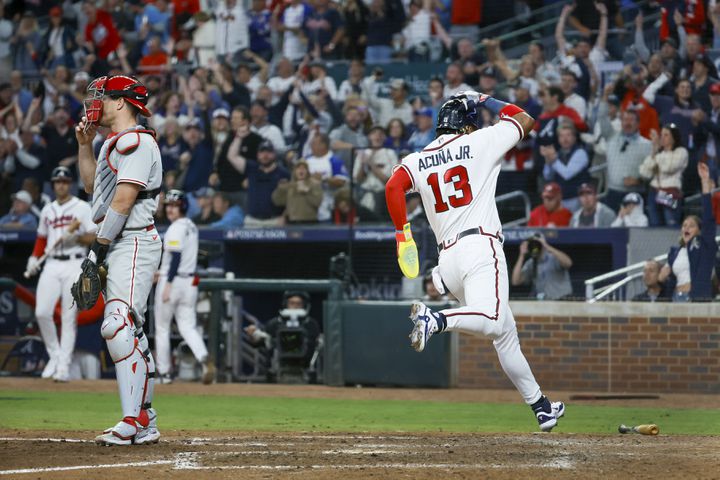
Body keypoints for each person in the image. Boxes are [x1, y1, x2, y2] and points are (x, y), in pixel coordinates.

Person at [384, 90, 565, 431]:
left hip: (448, 262)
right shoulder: (479, 141)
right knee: (494, 321)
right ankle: (435, 320)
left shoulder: (417, 158)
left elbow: (393, 187)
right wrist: (485, 100)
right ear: (466, 126)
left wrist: (401, 232)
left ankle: (541, 406)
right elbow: (525, 120)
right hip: (480, 246)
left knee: (504, 334)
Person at [75, 74, 161, 445]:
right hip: (121, 239)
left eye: (103, 97)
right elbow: (94, 189)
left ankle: (133, 418)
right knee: (131, 330)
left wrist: (99, 247)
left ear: (121, 102)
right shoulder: (114, 140)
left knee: (116, 324)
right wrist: (84, 147)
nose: (96, 103)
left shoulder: (136, 141)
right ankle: (147, 419)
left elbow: (123, 202)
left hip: (133, 239)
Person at [25, 167, 96, 382]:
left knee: (68, 317)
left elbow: (95, 236)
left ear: (70, 184)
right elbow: (41, 239)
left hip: (74, 262)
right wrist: (34, 259)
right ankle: (55, 356)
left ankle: (63, 366)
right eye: (57, 182)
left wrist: (77, 238)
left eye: (65, 181)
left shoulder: (83, 207)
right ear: (53, 184)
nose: (61, 185)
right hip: (52, 263)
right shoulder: (47, 210)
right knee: (42, 312)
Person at [154, 190, 215, 385]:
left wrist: (167, 283)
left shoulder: (175, 228)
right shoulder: (192, 226)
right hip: (189, 282)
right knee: (187, 326)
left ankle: (164, 373)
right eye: (169, 205)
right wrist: (162, 273)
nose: (171, 209)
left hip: (174, 282)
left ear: (183, 207)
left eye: (175, 206)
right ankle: (204, 358)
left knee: (162, 328)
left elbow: (176, 258)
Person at [658, 163, 718, 302]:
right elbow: (666, 280)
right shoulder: (674, 252)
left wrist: (705, 184)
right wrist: (661, 278)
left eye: (691, 226)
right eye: (684, 225)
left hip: (696, 299)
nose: (686, 228)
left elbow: (709, 219)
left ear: (699, 231)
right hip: (676, 299)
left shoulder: (704, 246)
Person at [244, 291, 320, 383]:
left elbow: (314, 344)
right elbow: (260, 343)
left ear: (304, 305)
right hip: (277, 368)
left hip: (304, 367)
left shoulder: (311, 324)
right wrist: (253, 335)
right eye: (292, 303)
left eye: (298, 304)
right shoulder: (274, 323)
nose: (295, 306)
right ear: (286, 304)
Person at [639, 124, 689, 227]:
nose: (662, 138)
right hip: (654, 192)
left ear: (674, 138)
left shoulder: (681, 152)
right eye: (661, 135)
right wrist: (654, 151)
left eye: (666, 135)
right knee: (655, 224)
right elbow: (644, 173)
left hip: (670, 192)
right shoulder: (657, 154)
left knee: (670, 221)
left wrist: (656, 159)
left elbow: (669, 168)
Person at [540, 122, 590, 212]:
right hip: (559, 200)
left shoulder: (581, 153)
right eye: (562, 136)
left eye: (568, 135)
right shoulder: (558, 153)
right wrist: (548, 160)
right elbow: (547, 176)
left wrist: (553, 159)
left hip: (575, 199)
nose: (565, 139)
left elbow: (567, 174)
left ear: (574, 137)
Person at [241, 141, 291, 226]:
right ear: (257, 155)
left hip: (275, 220)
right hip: (252, 220)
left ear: (274, 154)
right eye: (262, 152)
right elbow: (232, 157)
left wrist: (284, 216)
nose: (265, 155)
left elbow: (292, 198)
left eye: (268, 152)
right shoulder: (252, 169)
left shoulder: (284, 173)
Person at [511, 233, 573, 301]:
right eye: (532, 243)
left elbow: (568, 263)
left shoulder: (554, 257)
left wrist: (546, 246)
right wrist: (521, 255)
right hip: (545, 303)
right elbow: (515, 281)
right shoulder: (531, 263)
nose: (535, 246)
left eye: (537, 243)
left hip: (562, 300)